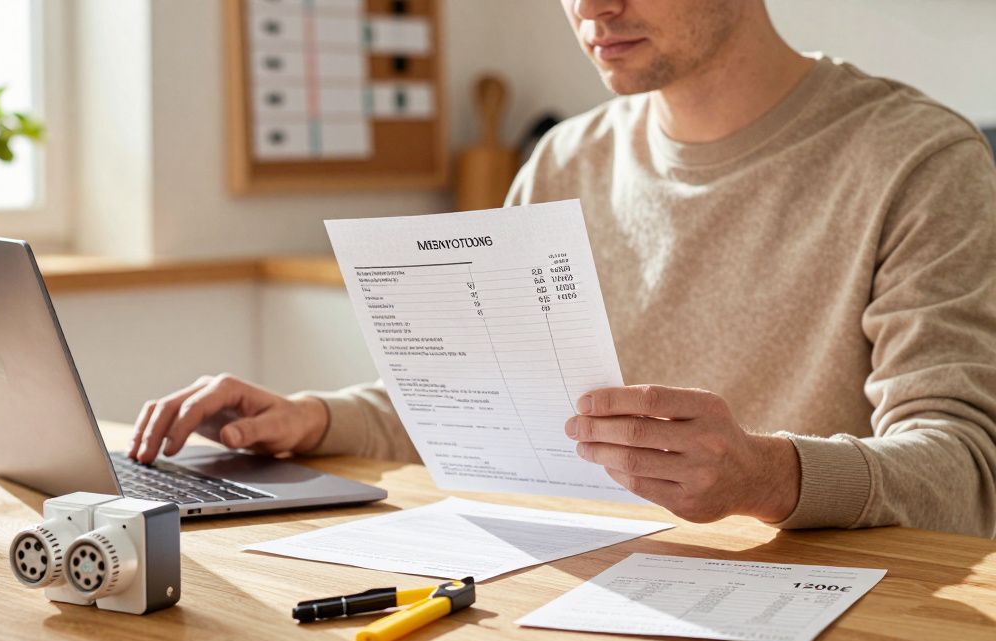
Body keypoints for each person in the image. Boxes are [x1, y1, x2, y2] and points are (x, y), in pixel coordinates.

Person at [130, 0, 996, 537]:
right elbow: (488, 406)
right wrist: (310, 417)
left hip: (825, 631)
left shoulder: (920, 161)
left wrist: (766, 476)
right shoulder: (561, 162)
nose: (592, 7)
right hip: (594, 590)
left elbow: (963, 472)